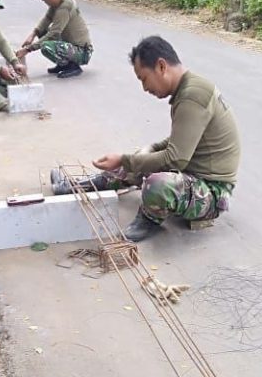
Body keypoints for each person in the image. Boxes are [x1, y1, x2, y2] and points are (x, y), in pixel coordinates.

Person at [52, 36, 240, 242]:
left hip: (212, 191)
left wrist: (127, 160)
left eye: (143, 78)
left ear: (161, 66)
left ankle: (149, 219)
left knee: (156, 183)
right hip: (192, 173)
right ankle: (85, 185)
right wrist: (145, 151)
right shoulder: (190, 89)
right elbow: (179, 141)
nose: (144, 88)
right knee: (142, 158)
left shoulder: (192, 95)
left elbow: (176, 158)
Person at [16, 0, 93, 79]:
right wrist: (33, 34)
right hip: (70, 44)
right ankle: (62, 64)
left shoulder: (65, 6)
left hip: (82, 51)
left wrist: (28, 49)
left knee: (46, 46)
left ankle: (73, 66)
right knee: (42, 32)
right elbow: (47, 18)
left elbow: (54, 34)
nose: (43, 0)